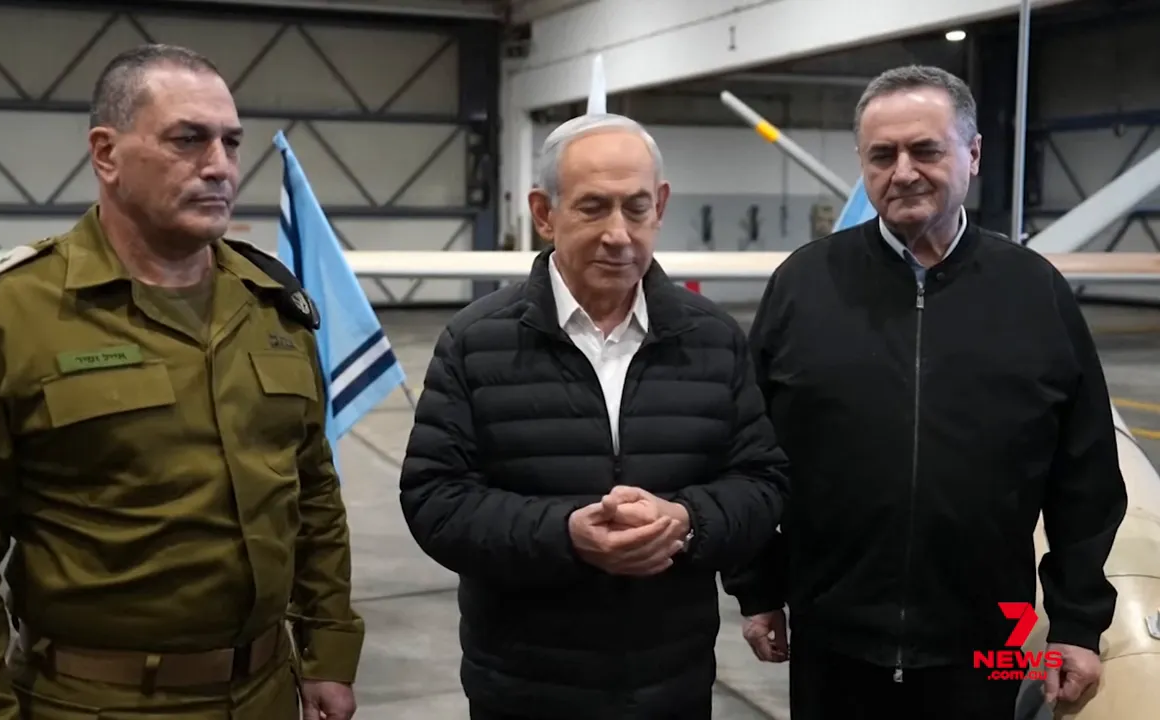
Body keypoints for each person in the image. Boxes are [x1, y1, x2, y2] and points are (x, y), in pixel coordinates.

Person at [0, 43, 364, 720]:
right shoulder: (13, 316)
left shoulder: (272, 307)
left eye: (232, 143)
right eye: (188, 140)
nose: (220, 167)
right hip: (95, 702)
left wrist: (327, 654)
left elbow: (313, 495)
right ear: (106, 154)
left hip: (265, 693)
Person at [724, 64, 1128, 719]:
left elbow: (1084, 477)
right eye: (882, 155)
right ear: (862, 162)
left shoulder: (1035, 293)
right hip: (833, 642)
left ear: (971, 154)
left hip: (983, 644)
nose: (903, 171)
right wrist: (759, 589)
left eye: (926, 149)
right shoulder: (803, 287)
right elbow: (748, 454)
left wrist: (1078, 624)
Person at [398, 112, 791, 720]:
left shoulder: (713, 339)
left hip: (672, 688)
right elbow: (435, 499)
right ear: (543, 212)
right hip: (524, 689)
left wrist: (686, 521)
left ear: (660, 205)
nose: (619, 234)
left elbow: (762, 483)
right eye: (592, 208)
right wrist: (565, 535)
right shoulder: (476, 342)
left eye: (636, 208)